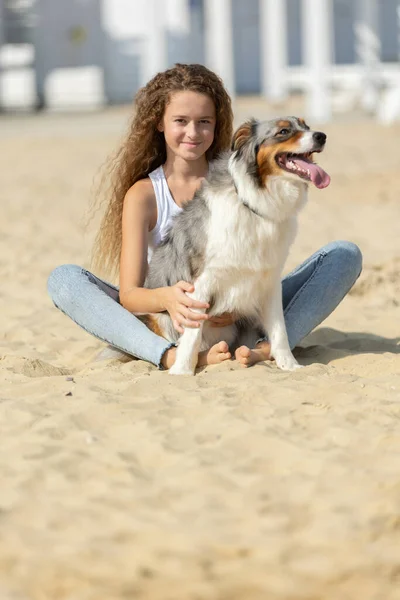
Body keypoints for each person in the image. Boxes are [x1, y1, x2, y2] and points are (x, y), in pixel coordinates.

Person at [47, 63, 362, 371]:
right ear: (159, 123)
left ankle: (265, 349)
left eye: (204, 122)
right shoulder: (143, 194)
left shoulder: (243, 181)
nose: (192, 133)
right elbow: (129, 296)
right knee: (64, 280)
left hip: (247, 309)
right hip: (171, 318)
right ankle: (168, 355)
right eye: (180, 121)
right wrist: (170, 300)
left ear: (217, 123)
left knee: (343, 256)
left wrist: (236, 307)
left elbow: (263, 268)